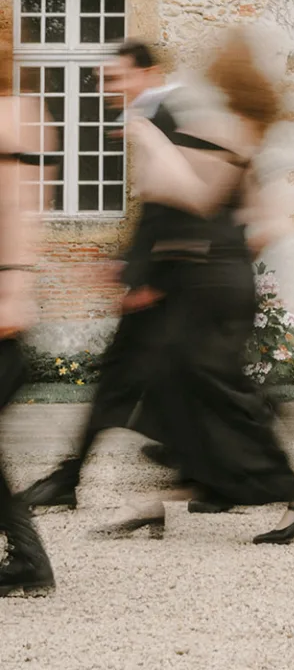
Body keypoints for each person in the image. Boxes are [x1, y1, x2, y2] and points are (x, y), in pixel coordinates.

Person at [92, 29, 294, 545]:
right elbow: (258, 222)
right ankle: (168, 497)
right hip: (215, 282)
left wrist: (150, 141)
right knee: (183, 388)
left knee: (216, 395)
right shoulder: (242, 128)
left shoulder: (226, 127)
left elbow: (197, 198)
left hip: (211, 286)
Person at [19, 40, 190, 512]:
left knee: (179, 382)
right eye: (102, 80)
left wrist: (148, 279)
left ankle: (231, 470)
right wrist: (126, 265)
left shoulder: (167, 118)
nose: (106, 88)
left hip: (166, 288)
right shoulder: (147, 119)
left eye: (116, 78)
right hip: (156, 283)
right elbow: (153, 209)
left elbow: (174, 209)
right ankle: (74, 477)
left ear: (148, 73)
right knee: (131, 379)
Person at [0, 37, 55, 596]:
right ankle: (28, 560)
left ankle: (30, 560)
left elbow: (19, 206)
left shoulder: (13, 113)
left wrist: (13, 289)